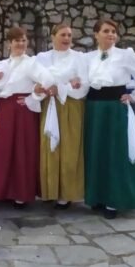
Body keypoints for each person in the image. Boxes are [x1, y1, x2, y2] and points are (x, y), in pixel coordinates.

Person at [83, 19, 135, 219]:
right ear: (96, 34)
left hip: (115, 109)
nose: (111, 34)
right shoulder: (88, 58)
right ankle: (97, 196)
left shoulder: (125, 56)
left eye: (113, 31)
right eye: (106, 31)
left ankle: (114, 200)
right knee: (96, 151)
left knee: (116, 152)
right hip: (94, 110)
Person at [0, 26, 54, 206]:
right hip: (6, 110)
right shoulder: (3, 65)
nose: (21, 44)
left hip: (23, 110)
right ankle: (5, 190)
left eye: (24, 40)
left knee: (23, 150)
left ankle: (21, 193)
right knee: (4, 149)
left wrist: (33, 97)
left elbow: (48, 80)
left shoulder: (31, 63)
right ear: (9, 43)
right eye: (17, 41)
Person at [36, 23, 89, 209]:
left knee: (69, 149)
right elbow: (38, 81)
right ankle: (50, 190)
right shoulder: (42, 58)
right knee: (49, 148)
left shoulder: (79, 58)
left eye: (69, 35)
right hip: (49, 106)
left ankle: (66, 194)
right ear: (53, 36)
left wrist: (60, 87)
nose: (66, 38)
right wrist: (66, 82)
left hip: (70, 106)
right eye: (63, 35)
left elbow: (83, 86)